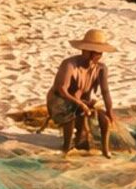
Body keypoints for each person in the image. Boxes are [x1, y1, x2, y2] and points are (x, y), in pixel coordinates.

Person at [48, 29, 116, 157]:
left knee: (105, 120)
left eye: (100, 53)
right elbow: (62, 89)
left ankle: (105, 150)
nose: (97, 56)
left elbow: (105, 91)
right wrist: (81, 104)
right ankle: (66, 147)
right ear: (85, 51)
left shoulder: (101, 68)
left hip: (81, 101)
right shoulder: (70, 64)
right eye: (94, 52)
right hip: (61, 100)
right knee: (70, 118)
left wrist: (110, 111)